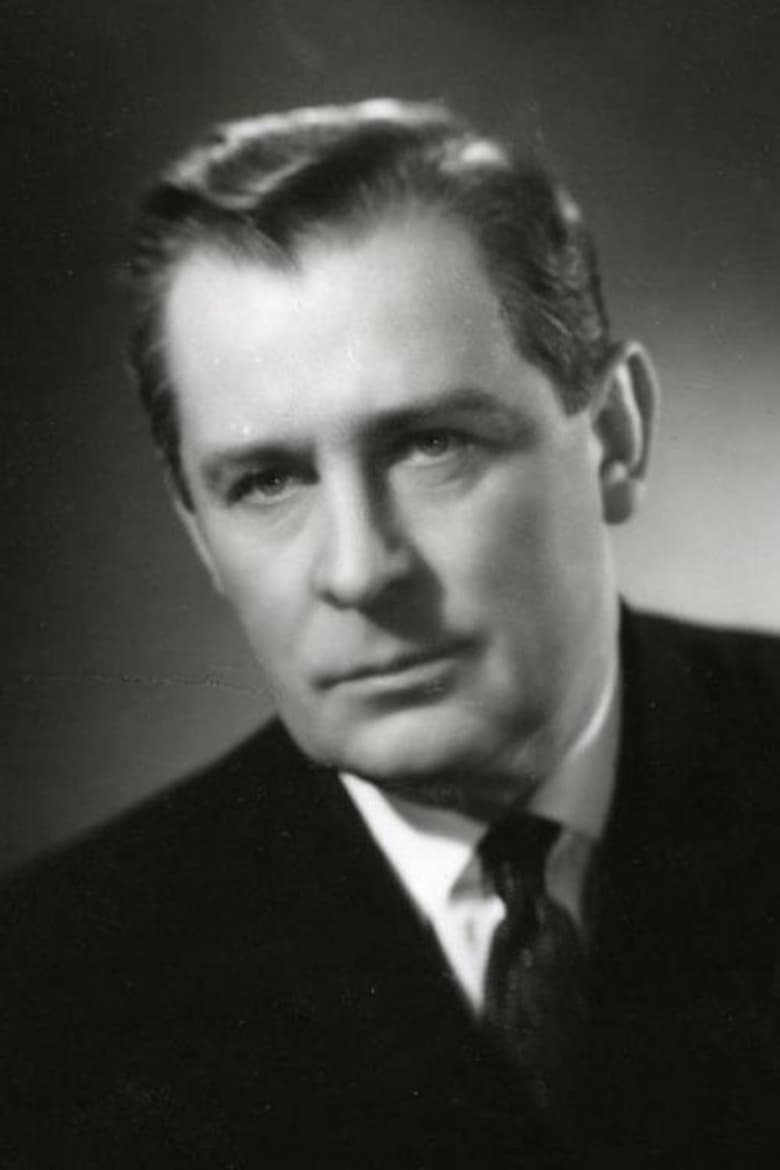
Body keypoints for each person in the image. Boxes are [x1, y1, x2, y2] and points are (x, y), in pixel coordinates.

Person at [1, 98, 779, 1169]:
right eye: (266, 482)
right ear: (197, 532)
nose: (360, 570)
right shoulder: (50, 990)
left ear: (612, 435)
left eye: (430, 445)